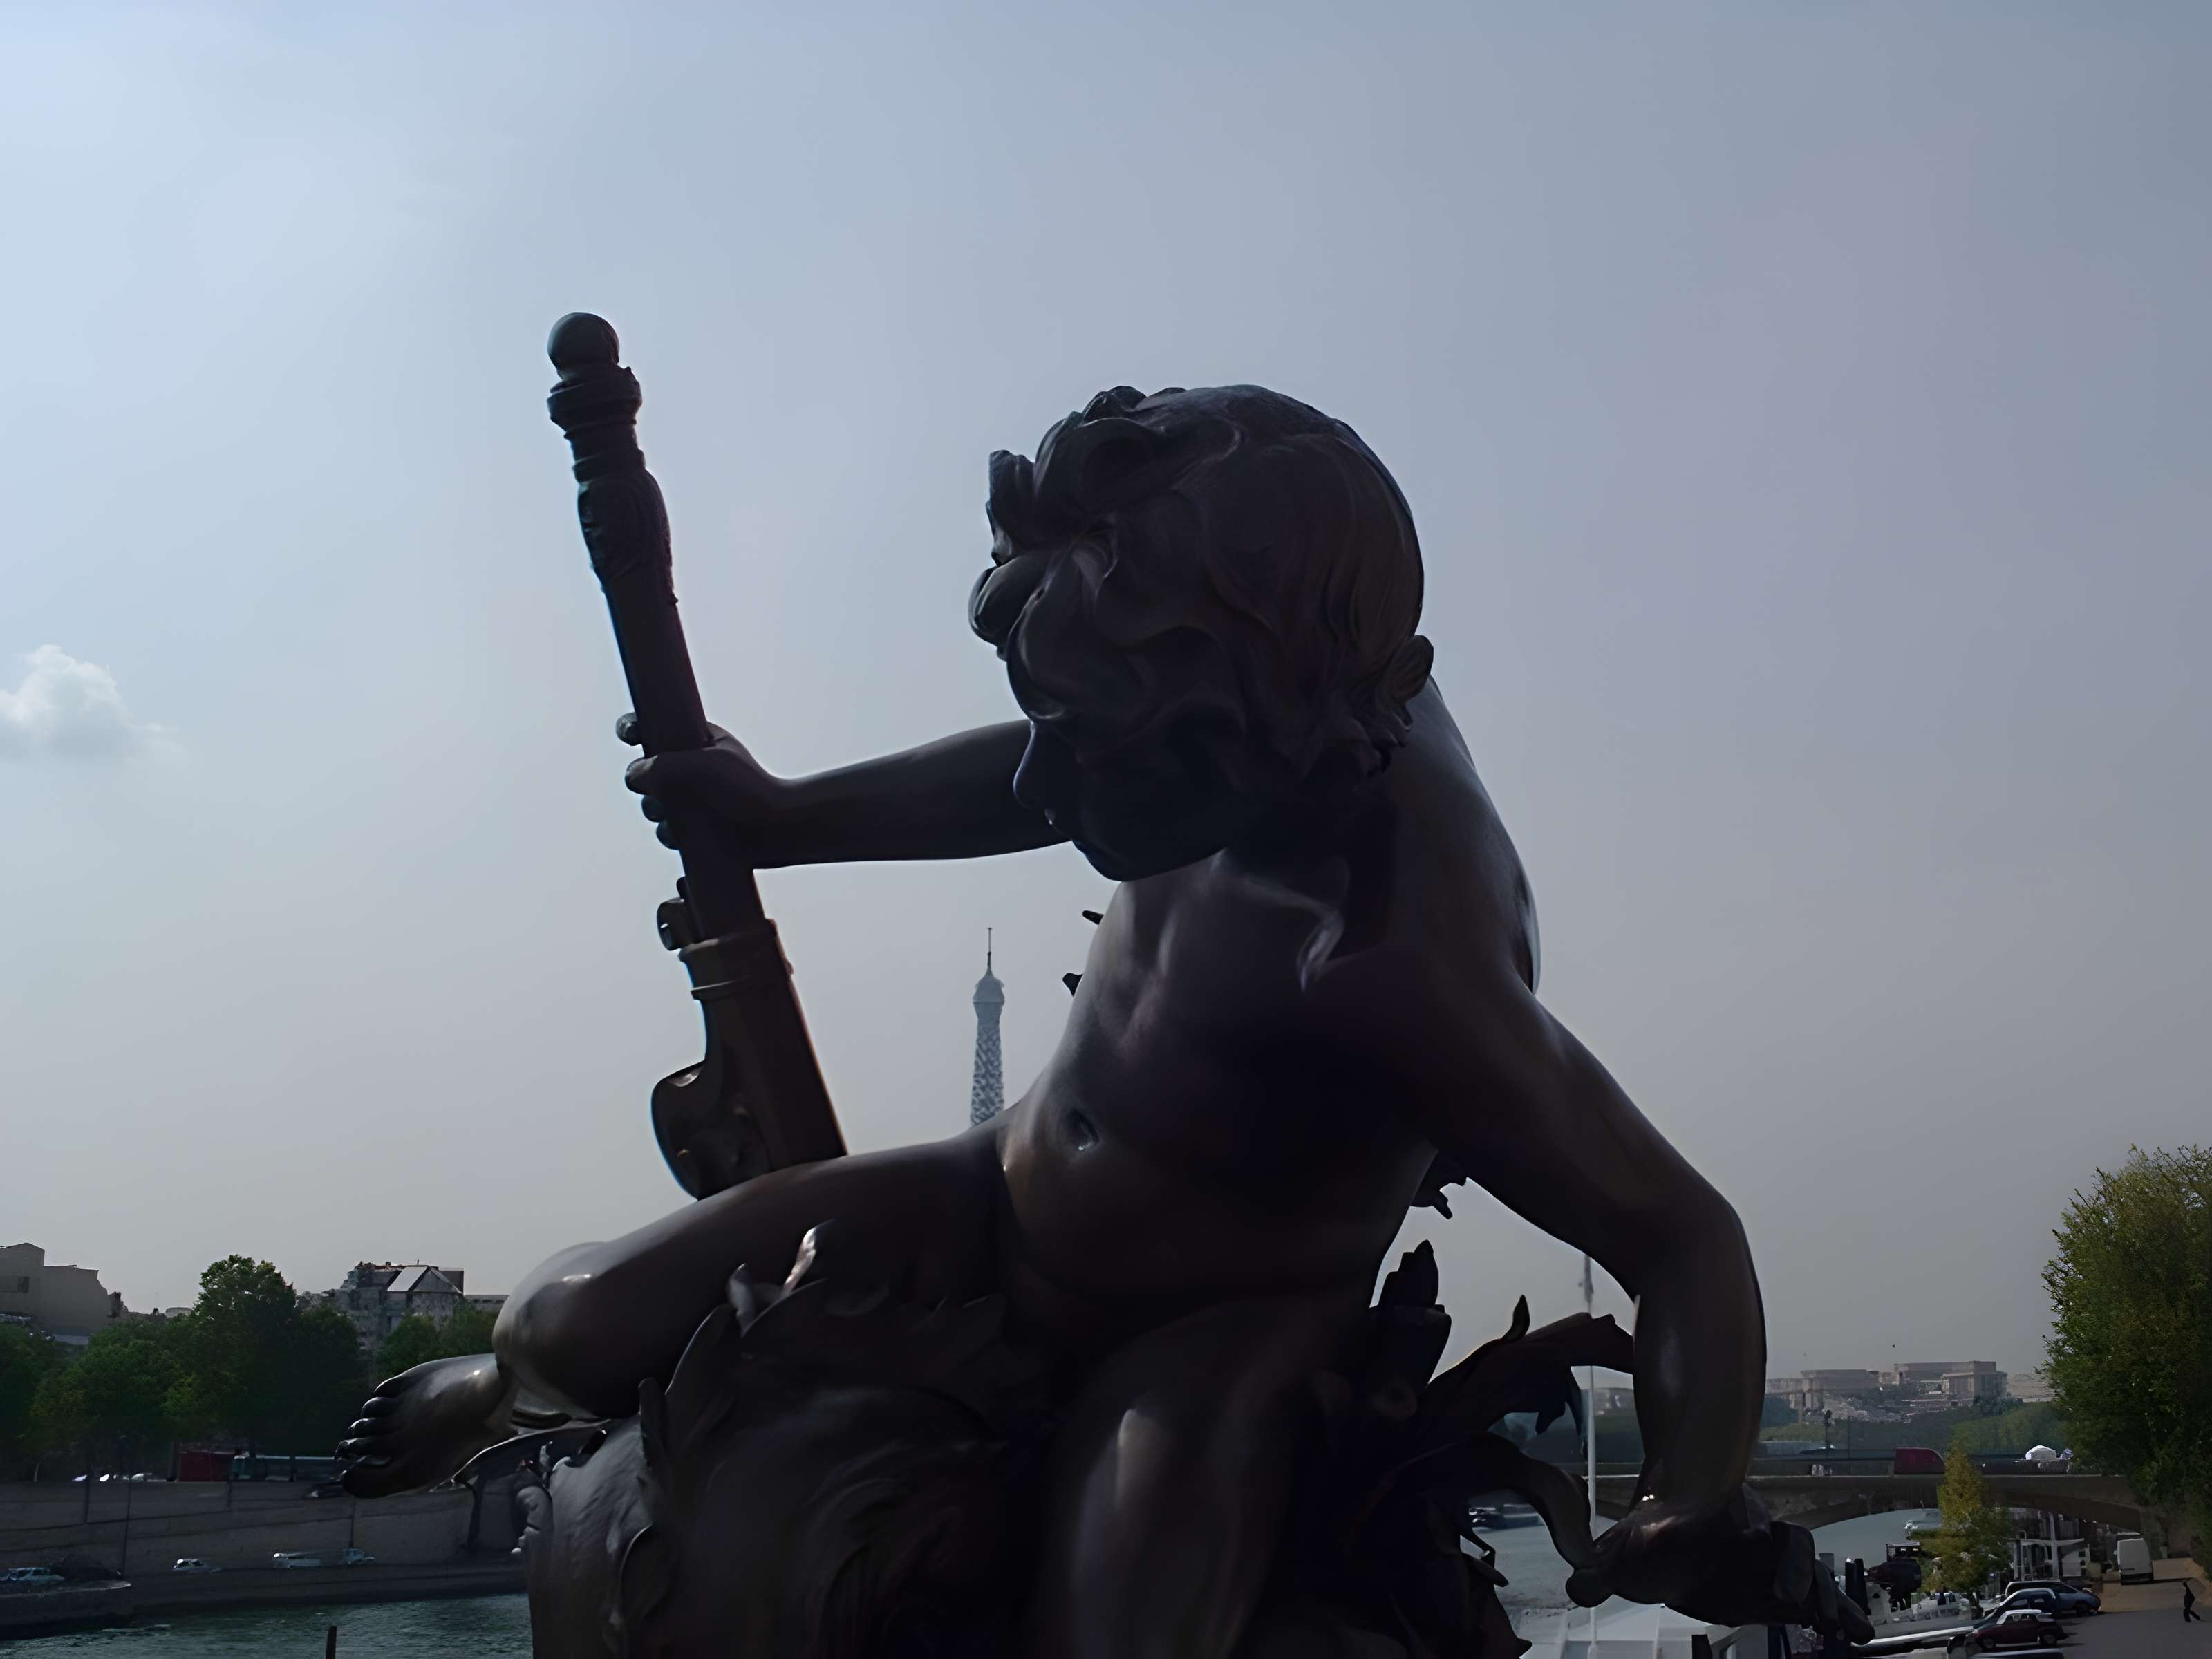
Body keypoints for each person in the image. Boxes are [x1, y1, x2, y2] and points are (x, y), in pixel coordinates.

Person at [341, 384, 1819, 1656]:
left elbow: (1682, 1237)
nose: (1048, 790)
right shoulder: (1253, 701)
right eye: (1051, 719)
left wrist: (1684, 1488)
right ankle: (494, 1385)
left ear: (1265, 735)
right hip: (996, 1187)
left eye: (1091, 753)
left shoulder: (1386, 964)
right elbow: (1046, 764)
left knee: (1121, 1624)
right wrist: (787, 818)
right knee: (565, 1318)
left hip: (1215, 1321)